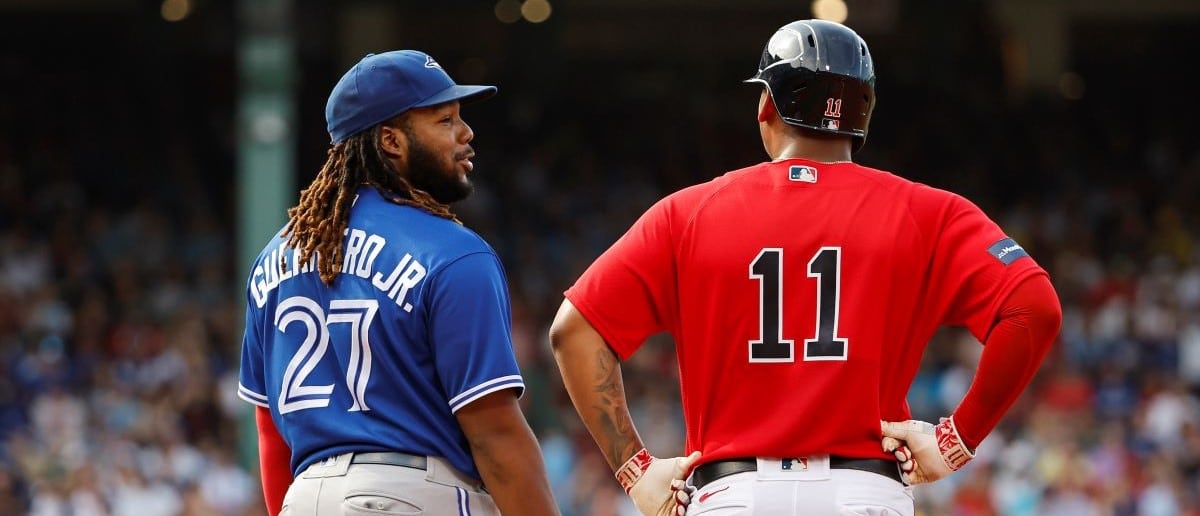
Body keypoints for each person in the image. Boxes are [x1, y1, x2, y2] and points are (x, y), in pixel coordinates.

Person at [548, 19, 1061, 515]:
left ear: (766, 103)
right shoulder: (927, 211)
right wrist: (957, 439)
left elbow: (574, 330)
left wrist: (634, 469)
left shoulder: (688, 212)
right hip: (865, 491)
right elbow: (1033, 308)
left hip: (734, 494)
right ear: (864, 112)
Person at [237, 50, 559, 516]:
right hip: (412, 494)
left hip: (304, 497)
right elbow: (494, 436)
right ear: (391, 140)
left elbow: (270, 432)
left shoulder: (277, 256)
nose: (466, 134)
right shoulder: (453, 252)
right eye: (445, 119)